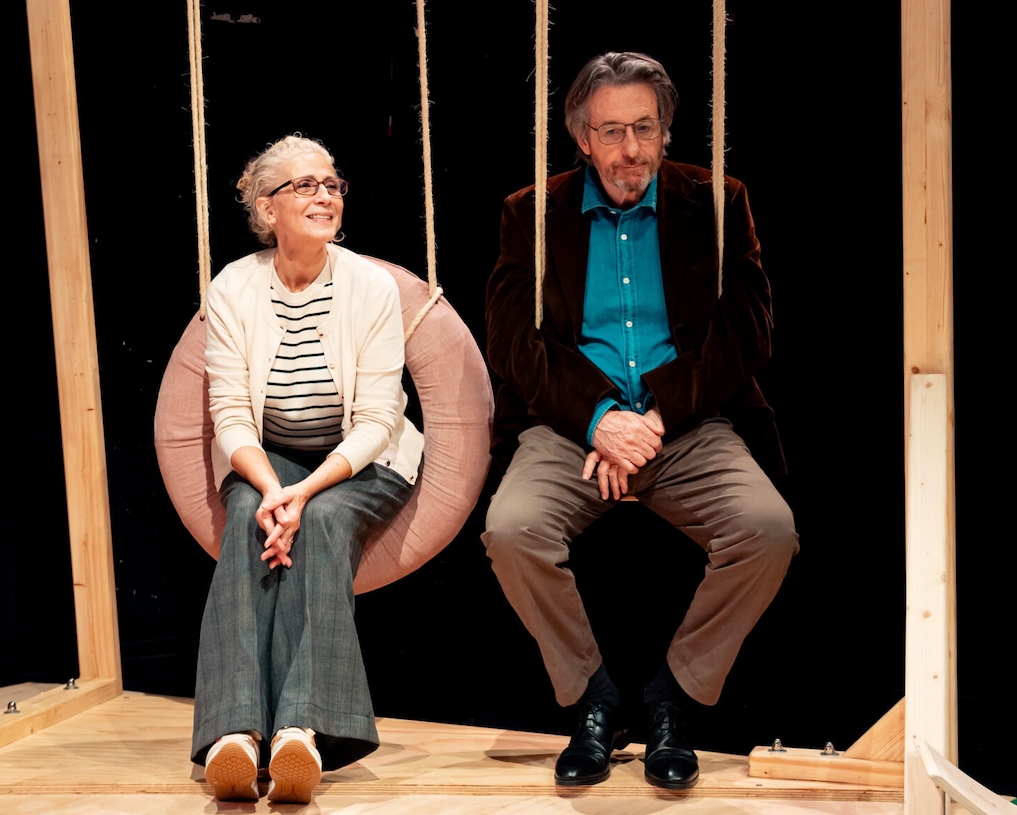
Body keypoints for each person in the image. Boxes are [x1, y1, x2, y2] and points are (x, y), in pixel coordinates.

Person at [481, 52, 800, 791]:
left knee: (767, 530)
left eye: (645, 129)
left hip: (685, 425)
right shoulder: (531, 212)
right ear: (582, 138)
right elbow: (511, 341)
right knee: (513, 529)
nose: (631, 149)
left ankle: (672, 700)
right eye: (612, 131)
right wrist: (599, 418)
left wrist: (655, 413)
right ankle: (593, 699)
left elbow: (748, 329)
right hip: (572, 429)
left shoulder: (718, 201)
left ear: (665, 131)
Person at [191, 134, 424, 804]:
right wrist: (271, 488)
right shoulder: (234, 286)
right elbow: (230, 412)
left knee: (319, 522)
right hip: (271, 455)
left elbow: (377, 417)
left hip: (362, 456)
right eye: (305, 185)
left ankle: (300, 730)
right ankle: (235, 735)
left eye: (332, 183)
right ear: (268, 209)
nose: (325, 195)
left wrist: (303, 491)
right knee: (245, 513)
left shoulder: (370, 286)